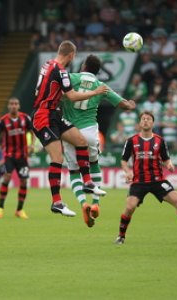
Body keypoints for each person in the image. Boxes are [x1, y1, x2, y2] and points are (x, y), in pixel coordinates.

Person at [31, 40, 109, 217]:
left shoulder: (48, 64)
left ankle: (87, 182)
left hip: (53, 115)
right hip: (43, 116)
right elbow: (72, 96)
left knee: (80, 140)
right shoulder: (61, 71)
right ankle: (57, 202)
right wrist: (95, 92)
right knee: (57, 157)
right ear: (71, 55)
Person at [61, 54, 136, 227]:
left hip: (70, 130)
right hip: (89, 130)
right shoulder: (102, 86)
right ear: (98, 71)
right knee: (93, 164)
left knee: (74, 172)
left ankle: (83, 204)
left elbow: (56, 86)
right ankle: (95, 203)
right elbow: (125, 105)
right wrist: (131, 103)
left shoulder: (72, 78)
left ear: (84, 66)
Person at [114, 111, 177, 245]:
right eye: (143, 119)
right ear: (139, 123)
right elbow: (123, 161)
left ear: (153, 123)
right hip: (139, 182)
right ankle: (121, 236)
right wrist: (128, 172)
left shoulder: (160, 141)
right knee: (129, 208)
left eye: (148, 119)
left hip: (158, 180)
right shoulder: (131, 141)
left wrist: (170, 165)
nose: (145, 121)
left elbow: (166, 159)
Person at [0, 97, 34, 220]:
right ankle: (0, 208)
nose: (14, 106)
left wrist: (32, 145)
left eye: (16, 104)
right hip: (9, 155)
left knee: (24, 181)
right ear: (8, 106)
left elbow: (32, 132)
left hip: (23, 156)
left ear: (19, 106)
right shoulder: (2, 121)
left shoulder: (25, 118)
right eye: (11, 104)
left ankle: (19, 210)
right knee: (7, 177)